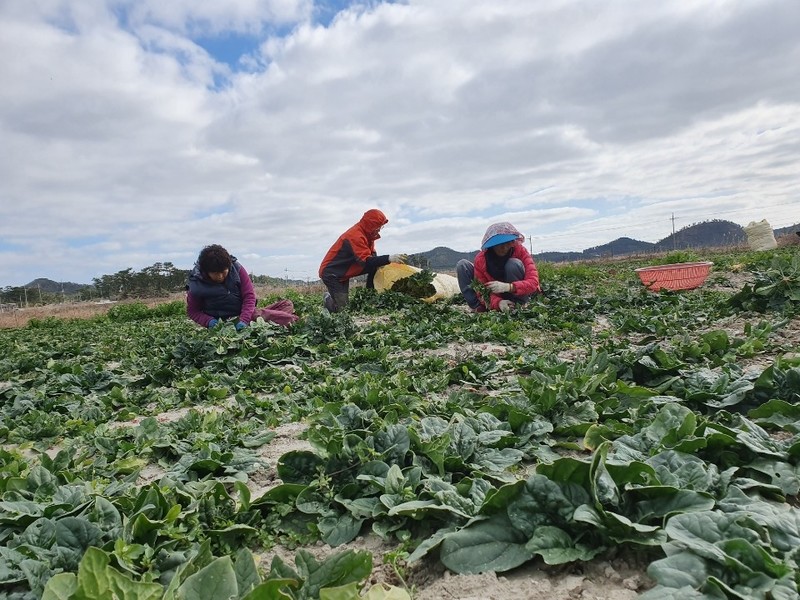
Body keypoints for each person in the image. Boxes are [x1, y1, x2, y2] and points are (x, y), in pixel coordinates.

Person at [186, 244, 298, 329]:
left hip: (244, 314)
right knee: (259, 315)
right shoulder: (197, 283)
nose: (221, 277)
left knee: (286, 304)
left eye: (223, 272)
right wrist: (209, 322)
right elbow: (193, 311)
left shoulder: (237, 269)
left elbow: (249, 296)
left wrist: (244, 319)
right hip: (225, 321)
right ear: (206, 272)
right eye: (215, 273)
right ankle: (293, 321)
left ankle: (261, 321)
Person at [318, 209, 408, 312]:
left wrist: (382, 263)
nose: (379, 229)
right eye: (378, 226)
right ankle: (327, 299)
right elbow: (366, 261)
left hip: (343, 273)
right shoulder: (355, 236)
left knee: (375, 266)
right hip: (332, 273)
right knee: (343, 310)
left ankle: (370, 296)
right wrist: (388, 258)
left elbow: (372, 255)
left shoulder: (368, 235)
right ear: (370, 225)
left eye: (381, 226)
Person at [456, 222, 541, 312]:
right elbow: (482, 290)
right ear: (492, 245)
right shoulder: (481, 260)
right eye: (499, 244)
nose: (504, 247)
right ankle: (479, 307)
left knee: (513, 264)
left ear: (512, 242)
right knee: (462, 265)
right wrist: (498, 303)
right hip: (494, 296)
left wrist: (509, 287)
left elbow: (533, 282)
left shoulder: (520, 251)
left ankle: (517, 304)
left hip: (517, 292)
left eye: (507, 243)